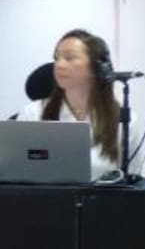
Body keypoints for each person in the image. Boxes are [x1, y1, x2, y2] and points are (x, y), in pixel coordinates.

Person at [17, 29, 127, 180]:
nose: (59, 65)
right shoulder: (33, 114)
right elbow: (19, 175)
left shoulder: (122, 119)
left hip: (104, 195)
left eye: (69, 58)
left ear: (96, 67)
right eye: (57, 58)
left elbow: (133, 180)